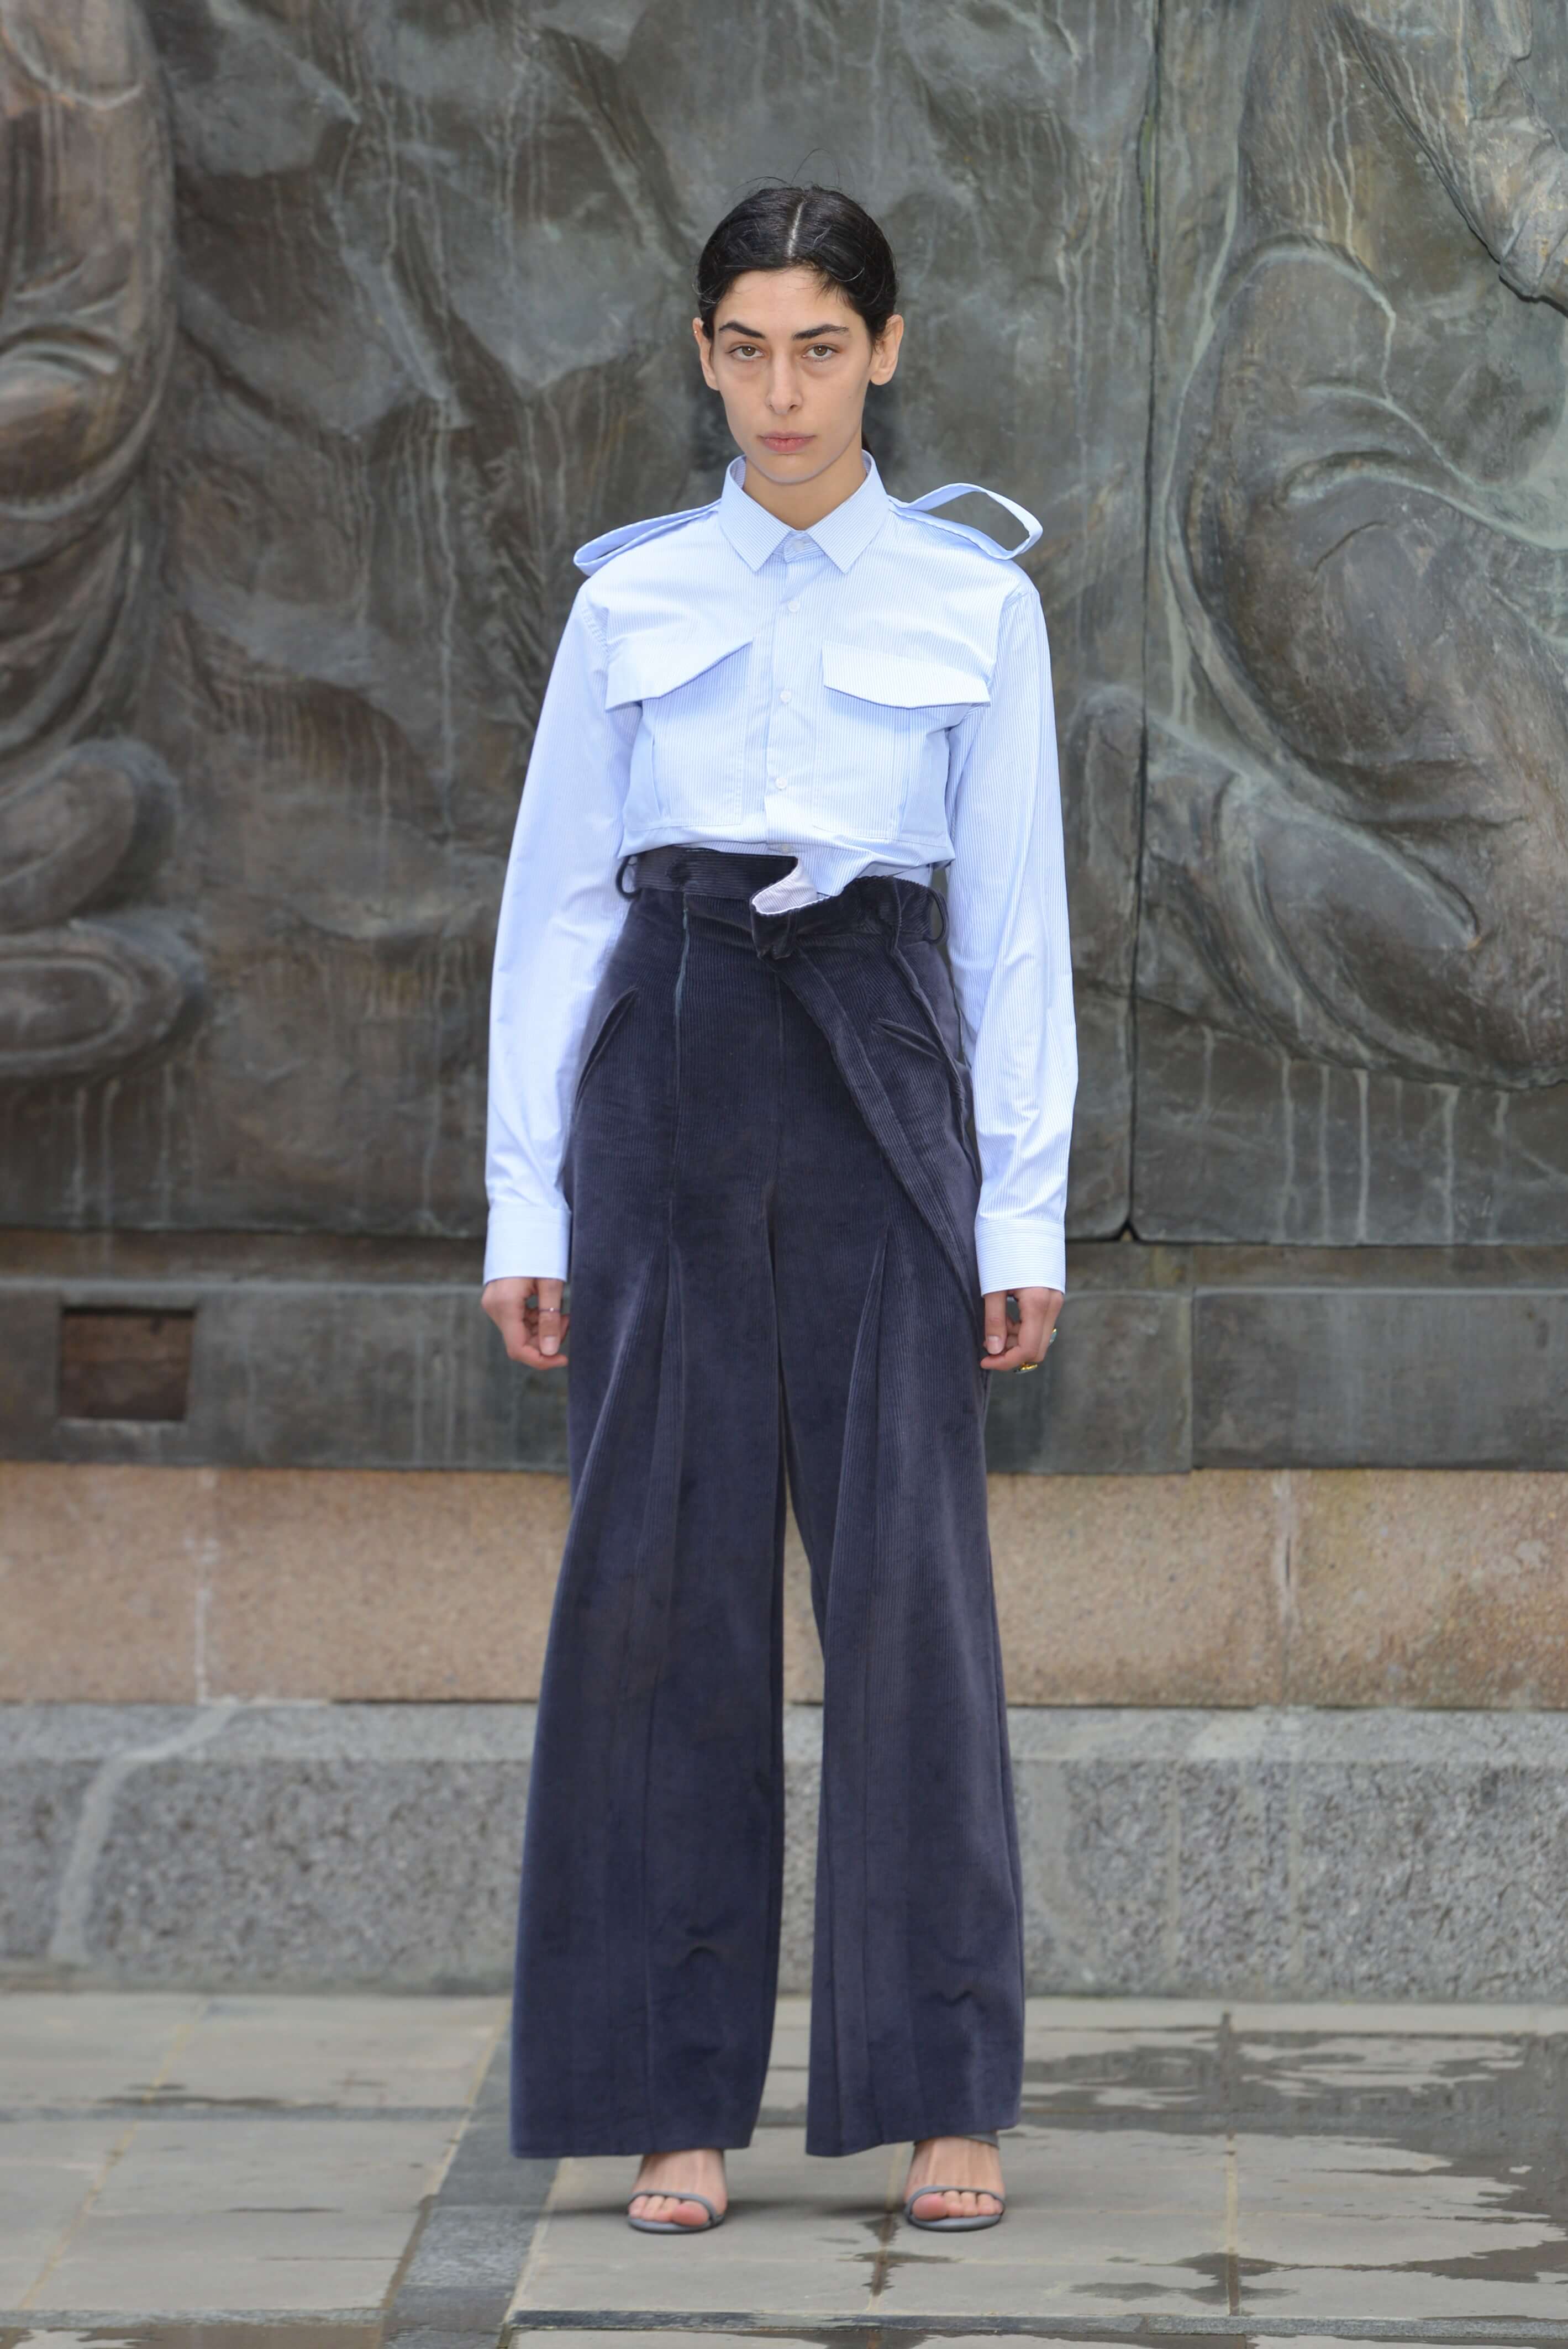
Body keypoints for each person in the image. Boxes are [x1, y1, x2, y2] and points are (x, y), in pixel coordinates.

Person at [482, 184, 1076, 2238]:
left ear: (885, 352)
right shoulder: (632, 598)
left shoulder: (976, 601)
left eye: (821, 346)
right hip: (667, 1062)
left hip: (879, 1064)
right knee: (659, 1591)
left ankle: (941, 2089)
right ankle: (671, 2099)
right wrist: (524, 1200)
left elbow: (1014, 931)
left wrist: (1021, 1218)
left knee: (911, 1592)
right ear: (705, 356)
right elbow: (559, 907)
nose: (783, 391)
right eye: (745, 348)